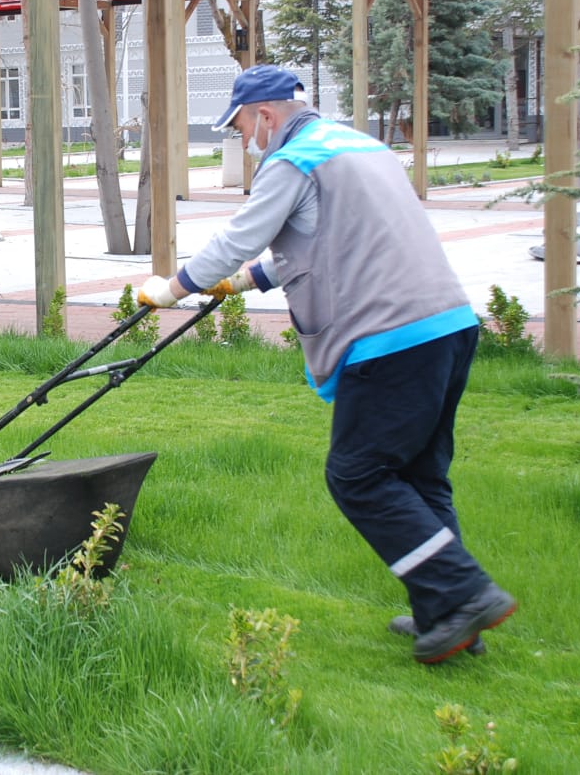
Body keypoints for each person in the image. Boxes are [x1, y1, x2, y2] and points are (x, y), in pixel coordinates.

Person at [137, 64, 514, 664]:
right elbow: (333, 237)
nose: (246, 140)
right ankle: (446, 610)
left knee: (358, 475)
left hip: (388, 337)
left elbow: (242, 235)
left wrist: (176, 288)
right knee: (419, 477)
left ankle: (464, 594)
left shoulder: (291, 160)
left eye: (241, 127)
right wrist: (248, 281)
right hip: (448, 325)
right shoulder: (360, 146)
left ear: (265, 115)